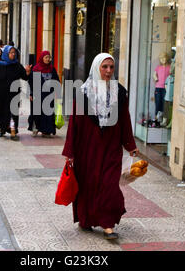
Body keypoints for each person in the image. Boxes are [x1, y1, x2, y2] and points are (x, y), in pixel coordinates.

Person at [62, 53, 139, 241]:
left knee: (109, 184)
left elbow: (124, 120)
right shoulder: (83, 92)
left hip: (111, 146)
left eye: (111, 67)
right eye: (104, 67)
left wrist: (130, 144)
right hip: (87, 147)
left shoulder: (120, 92)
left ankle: (107, 224)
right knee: (88, 184)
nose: (108, 71)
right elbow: (74, 124)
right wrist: (70, 151)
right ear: (97, 68)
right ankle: (86, 219)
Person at [0, 46, 32, 140]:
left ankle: (13, 132)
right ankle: (2, 130)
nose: (13, 54)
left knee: (13, 114)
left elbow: (24, 77)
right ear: (6, 54)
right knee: (1, 113)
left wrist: (27, 72)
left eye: (14, 52)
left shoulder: (17, 65)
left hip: (14, 95)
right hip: (1, 95)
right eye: (11, 52)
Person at [28, 51, 60, 138]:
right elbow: (31, 82)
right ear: (42, 58)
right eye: (46, 57)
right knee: (37, 113)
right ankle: (36, 128)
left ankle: (46, 131)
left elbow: (57, 81)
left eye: (49, 57)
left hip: (49, 95)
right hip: (38, 94)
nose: (48, 59)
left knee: (48, 113)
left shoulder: (52, 69)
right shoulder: (36, 69)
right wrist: (31, 94)